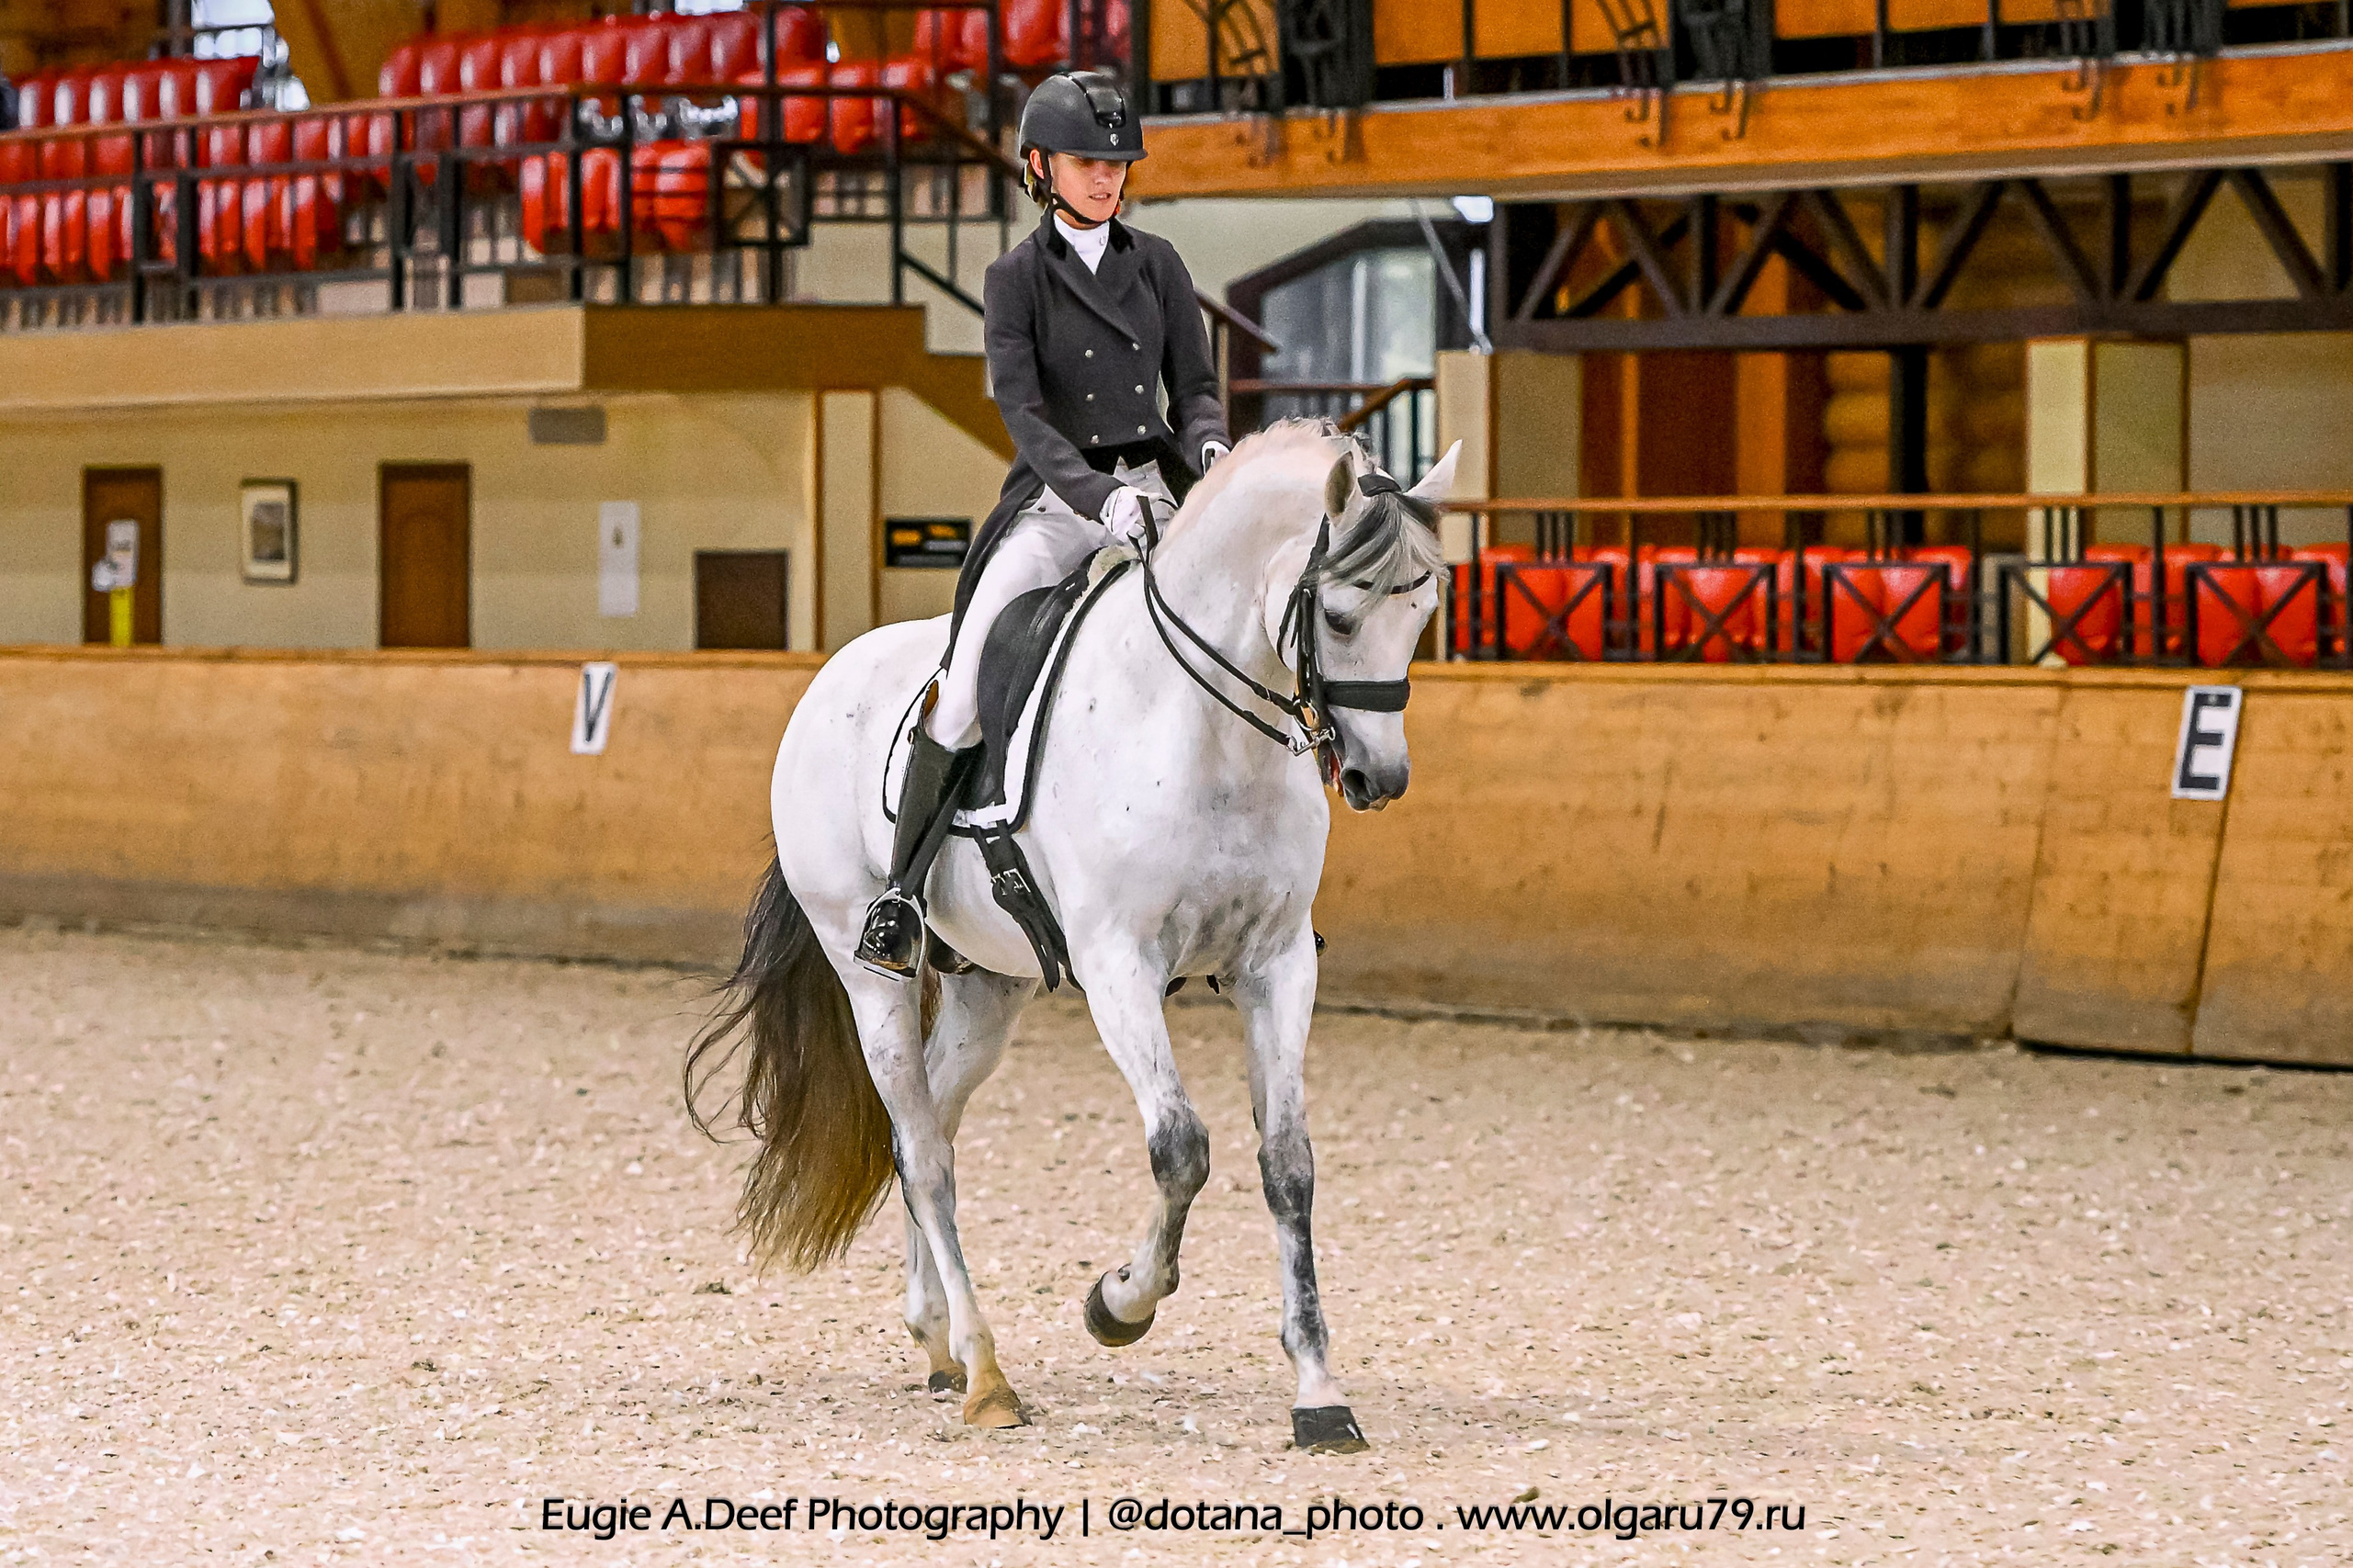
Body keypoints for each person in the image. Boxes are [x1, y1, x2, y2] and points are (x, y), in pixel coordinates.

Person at [854, 69, 1231, 978]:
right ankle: (903, 892)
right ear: (1039, 167)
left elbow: (1197, 389)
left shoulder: (1161, 265)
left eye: (1116, 164)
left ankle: (1240, 891)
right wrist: (1095, 499)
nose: (1106, 178)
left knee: (1239, 642)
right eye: (1085, 162)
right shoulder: (1013, 279)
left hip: (1158, 484)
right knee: (962, 681)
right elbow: (1022, 414)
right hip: (1060, 500)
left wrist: (1214, 454)